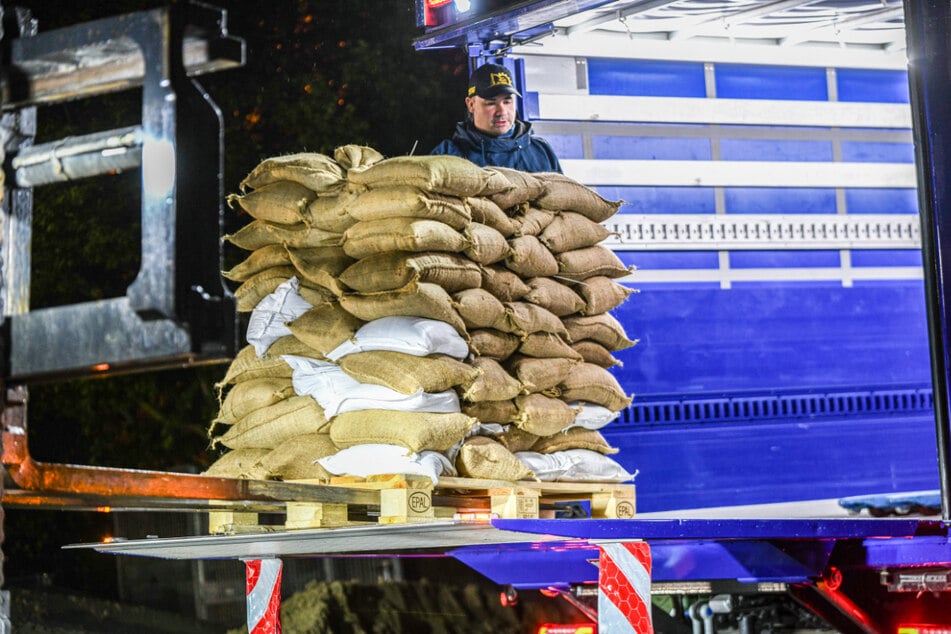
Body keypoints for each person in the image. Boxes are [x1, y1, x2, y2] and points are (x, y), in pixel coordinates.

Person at [431, 62, 562, 173]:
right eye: (491, 103)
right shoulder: (447, 155)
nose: (502, 111)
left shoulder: (541, 151)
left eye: (507, 101)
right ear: (471, 104)